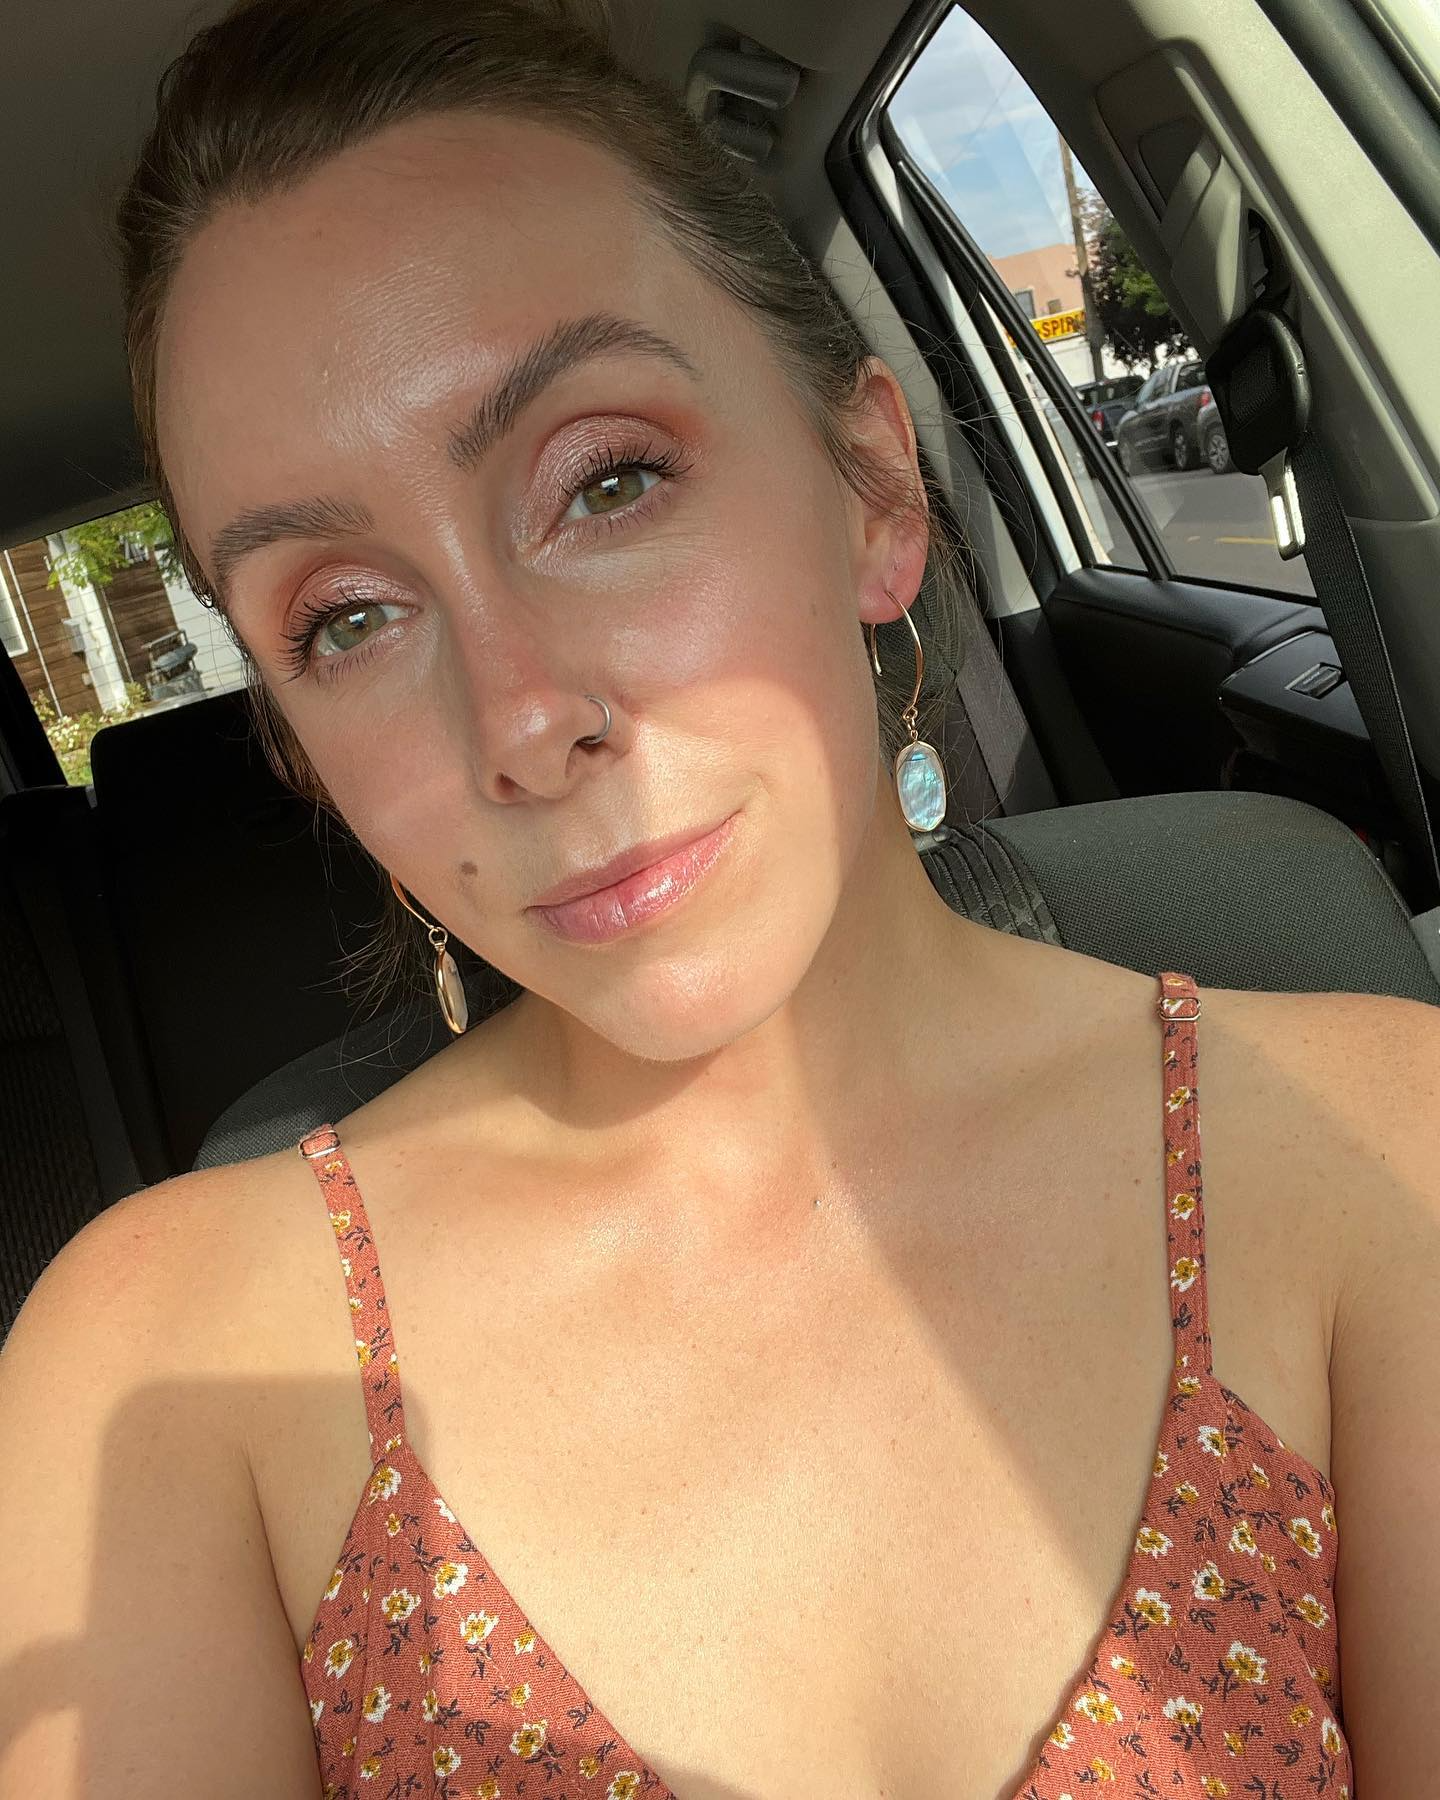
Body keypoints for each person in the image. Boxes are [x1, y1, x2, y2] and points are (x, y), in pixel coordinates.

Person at [0, 1, 1435, 1794]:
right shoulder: (161, 1371)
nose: (522, 725)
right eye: (346, 617)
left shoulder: (1377, 1149)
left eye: (606, 482)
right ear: (297, 743)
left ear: (875, 489)